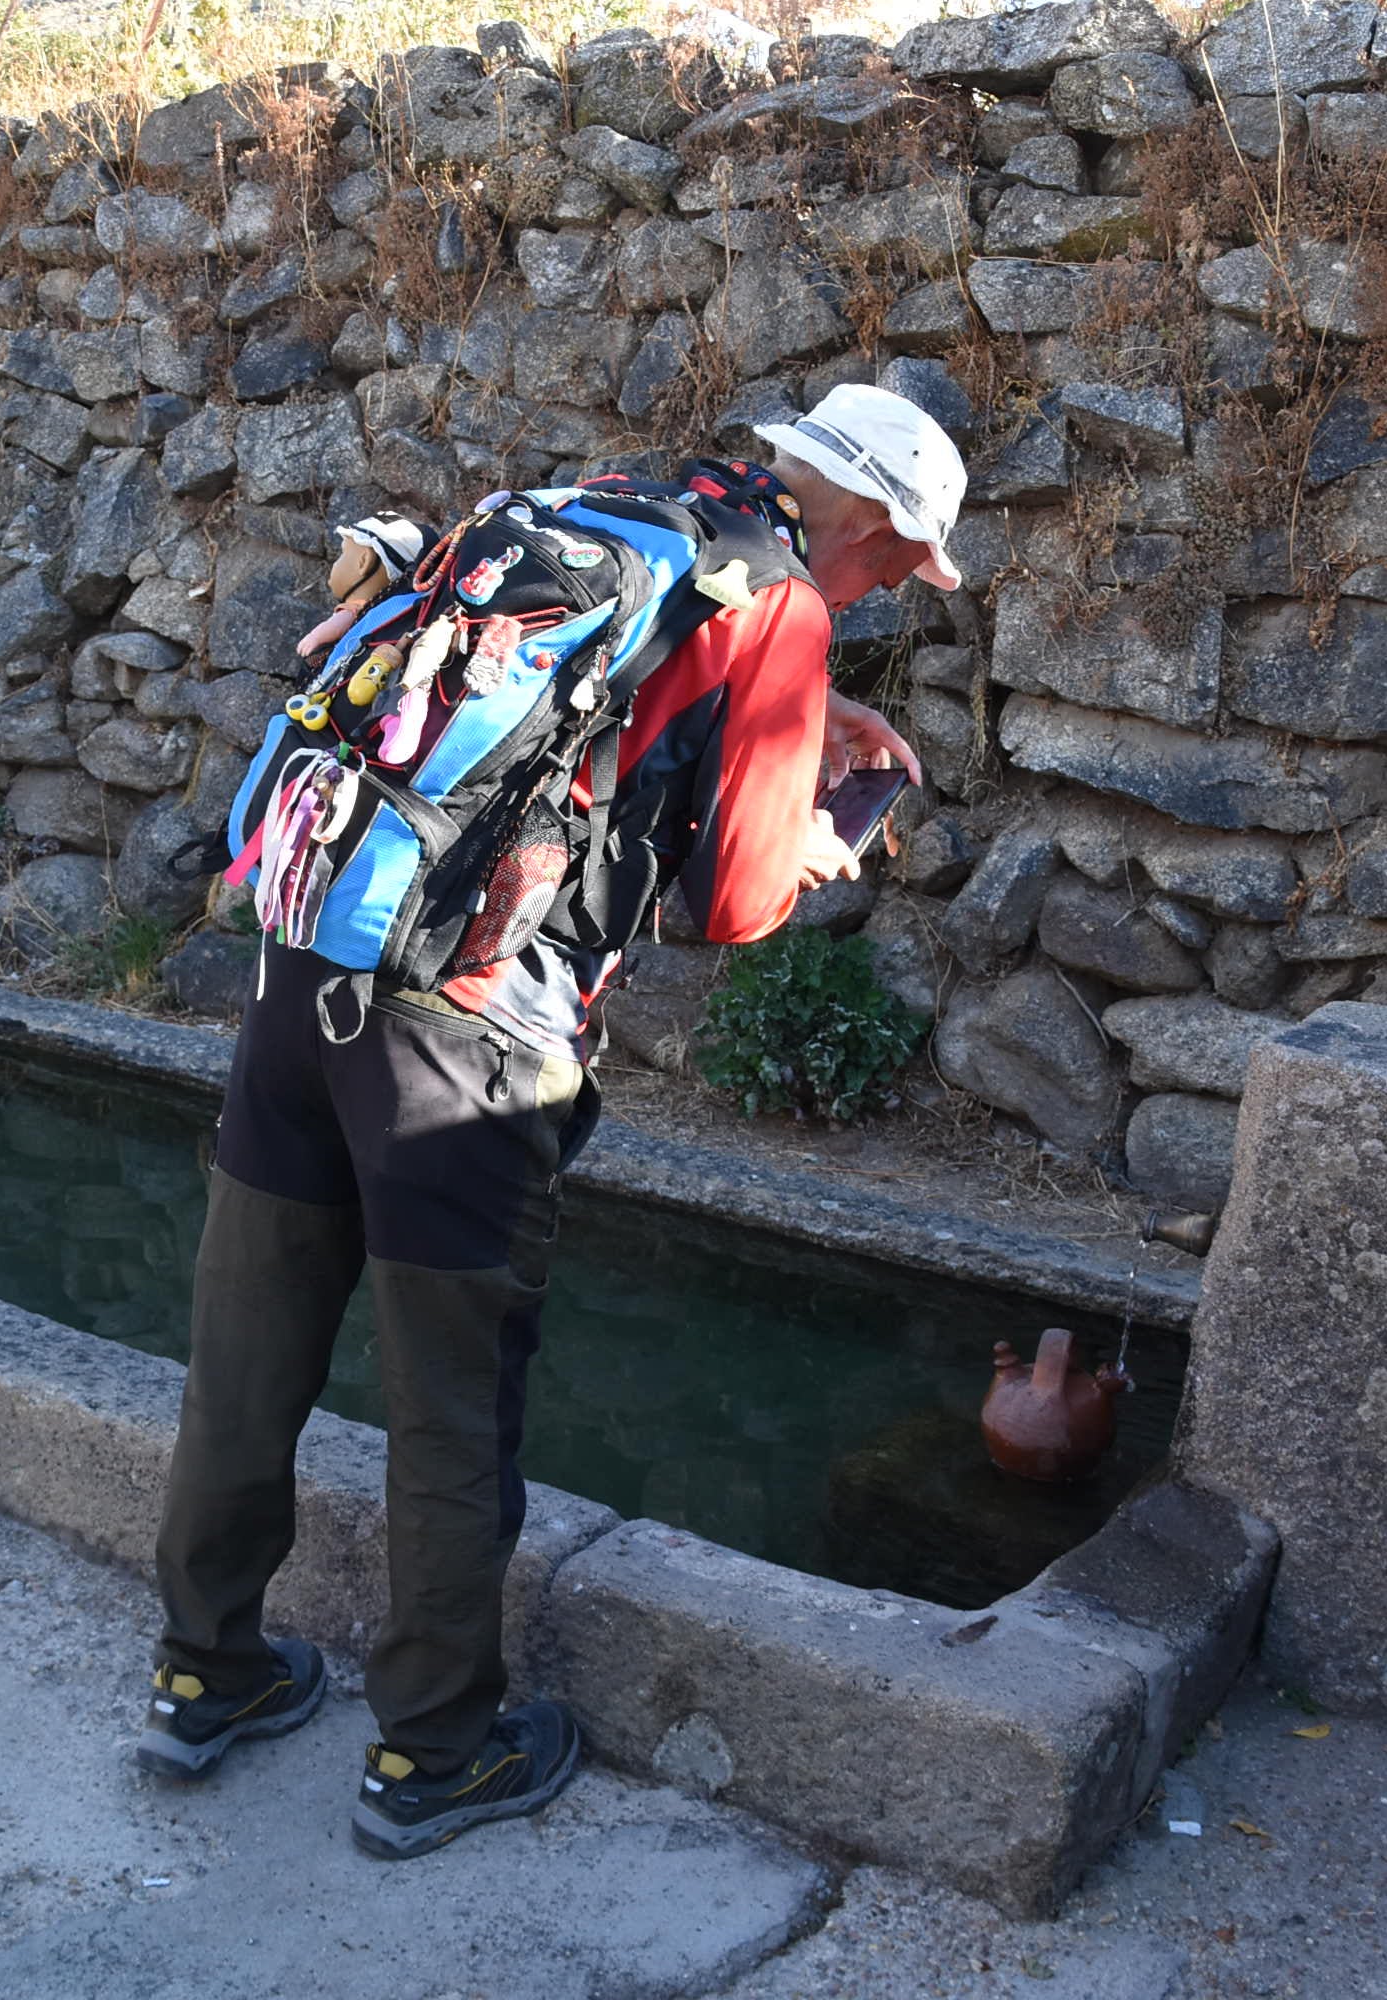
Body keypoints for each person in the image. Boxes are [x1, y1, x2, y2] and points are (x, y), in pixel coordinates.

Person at [142, 384, 970, 1859]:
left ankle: (206, 1672)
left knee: (246, 1352)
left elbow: (587, 714)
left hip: (305, 971)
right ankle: (434, 1755)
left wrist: (804, 713)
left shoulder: (616, 514)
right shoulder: (779, 604)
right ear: (866, 519)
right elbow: (733, 901)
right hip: (466, 1046)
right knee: (453, 1408)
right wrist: (828, 841)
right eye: (900, 562)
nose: (891, 587)